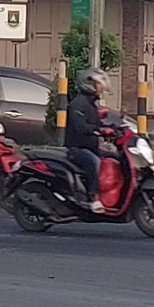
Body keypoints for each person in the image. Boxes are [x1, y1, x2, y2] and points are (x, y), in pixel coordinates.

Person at [65, 67, 110, 214]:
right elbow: (80, 126)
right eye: (98, 83)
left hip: (90, 146)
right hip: (77, 149)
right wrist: (98, 130)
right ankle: (94, 198)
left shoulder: (91, 103)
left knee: (113, 159)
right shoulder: (78, 104)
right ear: (89, 84)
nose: (101, 86)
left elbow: (98, 122)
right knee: (94, 162)